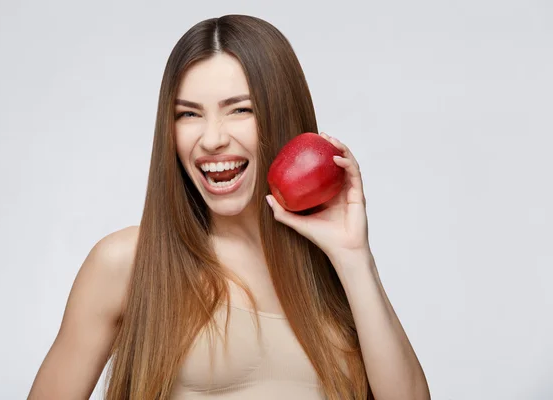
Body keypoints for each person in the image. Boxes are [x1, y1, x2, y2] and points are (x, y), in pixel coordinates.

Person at [27, 14, 430, 400]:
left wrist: (355, 257)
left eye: (240, 109)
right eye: (189, 114)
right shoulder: (128, 262)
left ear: (281, 116)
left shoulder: (330, 271)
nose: (212, 138)